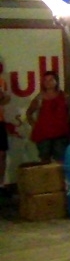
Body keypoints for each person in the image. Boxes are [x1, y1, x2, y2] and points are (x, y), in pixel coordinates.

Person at [26, 71, 70, 162]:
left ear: (56, 81)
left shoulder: (64, 96)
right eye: (45, 80)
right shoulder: (39, 98)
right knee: (45, 160)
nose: (48, 82)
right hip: (43, 134)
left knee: (60, 160)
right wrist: (34, 125)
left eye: (50, 80)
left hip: (60, 133)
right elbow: (29, 112)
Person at [0, 62, 10, 196]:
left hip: (0, 121)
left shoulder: (2, 81)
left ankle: (1, 184)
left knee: (2, 154)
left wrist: (3, 96)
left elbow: (5, 99)